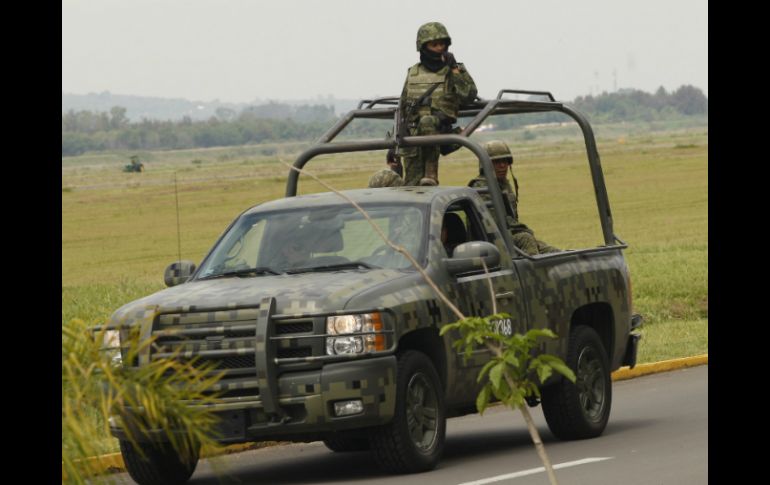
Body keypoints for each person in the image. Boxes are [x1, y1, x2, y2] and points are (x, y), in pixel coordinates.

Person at [399, 22, 477, 186]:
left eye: (442, 44)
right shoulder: (413, 73)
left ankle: (431, 173)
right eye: (434, 44)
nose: (439, 48)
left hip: (441, 132)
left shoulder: (454, 70)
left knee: (428, 121)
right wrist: (393, 146)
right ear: (423, 47)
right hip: (413, 138)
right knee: (411, 187)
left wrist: (454, 69)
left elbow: (468, 96)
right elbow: (402, 109)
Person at [468, 140, 559, 256]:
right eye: (496, 162)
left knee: (553, 253)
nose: (502, 165)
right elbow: (494, 224)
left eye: (505, 161)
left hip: (507, 236)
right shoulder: (482, 187)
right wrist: (521, 230)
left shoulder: (502, 184)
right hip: (490, 241)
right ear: (485, 165)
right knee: (526, 239)